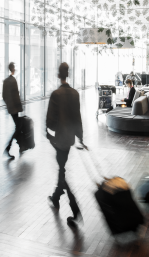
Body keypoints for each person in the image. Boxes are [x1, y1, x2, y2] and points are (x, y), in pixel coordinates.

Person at [46, 62, 84, 227]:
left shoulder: (56, 94)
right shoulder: (75, 94)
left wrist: (48, 132)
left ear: (58, 74)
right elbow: (77, 118)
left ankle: (75, 208)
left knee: (62, 170)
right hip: (69, 139)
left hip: (59, 139)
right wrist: (80, 137)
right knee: (62, 167)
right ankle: (56, 195)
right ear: (67, 74)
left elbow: (50, 120)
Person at [2, 62, 23, 159]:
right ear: (13, 69)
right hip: (15, 108)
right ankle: (9, 147)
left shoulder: (5, 81)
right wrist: (19, 107)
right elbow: (16, 96)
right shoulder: (13, 80)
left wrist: (9, 105)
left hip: (11, 108)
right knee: (18, 127)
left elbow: (4, 96)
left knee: (18, 127)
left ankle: (20, 146)